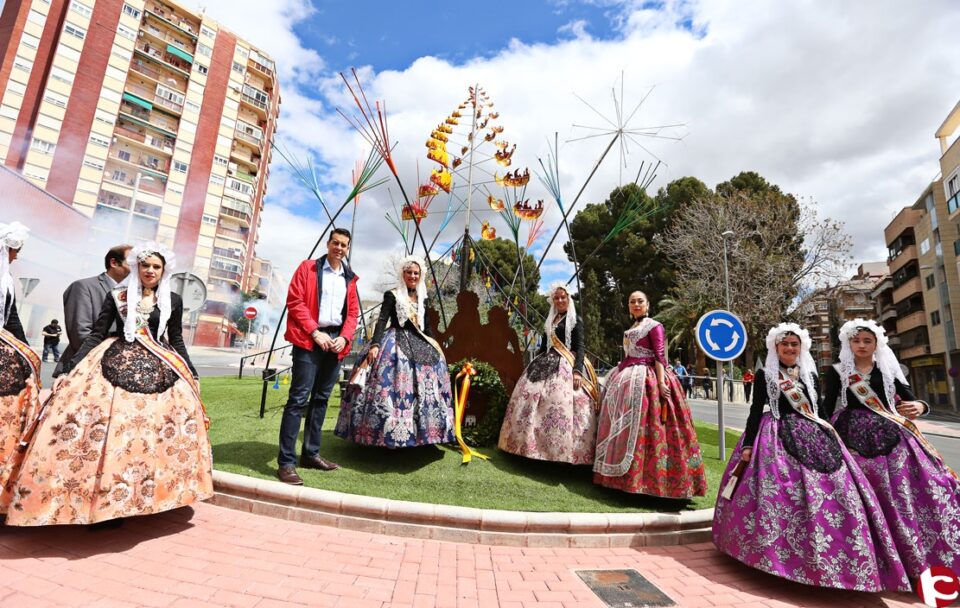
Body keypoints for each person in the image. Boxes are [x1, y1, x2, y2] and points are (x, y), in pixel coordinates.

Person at [3, 243, 213, 525]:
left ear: (164, 270)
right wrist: (69, 368)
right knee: (108, 430)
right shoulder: (117, 296)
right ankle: (103, 503)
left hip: (162, 366)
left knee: (154, 432)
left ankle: (150, 495)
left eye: (156, 267)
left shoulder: (172, 300)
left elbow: (175, 339)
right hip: (113, 361)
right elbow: (96, 334)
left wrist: (192, 373)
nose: (150, 271)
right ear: (137, 267)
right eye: (146, 265)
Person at [712, 323, 910, 592]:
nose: (789, 348)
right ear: (776, 347)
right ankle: (777, 555)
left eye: (794, 344)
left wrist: (833, 437)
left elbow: (821, 412)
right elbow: (756, 410)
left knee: (837, 492)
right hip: (775, 436)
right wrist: (748, 444)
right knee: (780, 493)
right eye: (784, 344)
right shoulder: (765, 375)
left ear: (801, 347)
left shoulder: (810, 373)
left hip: (814, 435)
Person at [822, 319, 959, 577]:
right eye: (856, 341)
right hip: (850, 437)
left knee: (909, 490)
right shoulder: (838, 371)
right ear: (848, 343)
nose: (862, 345)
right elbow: (827, 407)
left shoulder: (886, 369)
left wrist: (920, 406)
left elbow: (912, 399)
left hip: (892, 436)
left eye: (867, 341)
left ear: (877, 344)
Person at [593, 291, 707, 497]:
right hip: (627, 376)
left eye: (640, 301)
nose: (636, 304)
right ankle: (618, 478)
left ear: (647, 304)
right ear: (629, 306)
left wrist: (661, 383)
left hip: (649, 378)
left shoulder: (655, 326)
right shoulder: (632, 328)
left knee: (652, 424)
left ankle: (655, 482)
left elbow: (660, 355)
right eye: (632, 301)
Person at [335, 255, 454, 447]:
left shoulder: (423, 298)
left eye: (416, 273)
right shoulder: (392, 294)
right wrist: (375, 345)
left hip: (419, 342)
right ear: (403, 274)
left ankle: (423, 432)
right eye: (409, 272)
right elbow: (382, 319)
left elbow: (426, 326)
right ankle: (381, 433)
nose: (413, 276)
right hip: (394, 340)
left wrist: (435, 347)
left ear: (420, 275)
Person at [277, 228, 360, 485]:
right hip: (309, 339)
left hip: (335, 342)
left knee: (321, 399)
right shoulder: (308, 268)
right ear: (328, 244)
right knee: (298, 399)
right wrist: (315, 332)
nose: (339, 248)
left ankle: (310, 454)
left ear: (348, 248)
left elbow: (353, 313)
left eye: (344, 245)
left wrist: (344, 337)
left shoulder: (350, 278)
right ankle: (286, 462)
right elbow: (295, 302)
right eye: (335, 243)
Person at [497, 283, 600, 464]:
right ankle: (527, 446)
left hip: (566, 364)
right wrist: (533, 366)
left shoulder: (575, 320)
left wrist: (577, 371)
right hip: (545, 362)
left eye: (563, 297)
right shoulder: (551, 320)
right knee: (531, 399)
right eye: (556, 298)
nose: (560, 300)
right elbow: (544, 345)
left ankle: (561, 452)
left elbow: (580, 346)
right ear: (553, 300)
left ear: (568, 299)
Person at [0, 222, 41, 507]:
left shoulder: (7, 280)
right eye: (15, 250)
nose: (17, 256)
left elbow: (11, 319)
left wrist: (27, 354)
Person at [54, 244, 132, 377]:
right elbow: (80, 334)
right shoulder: (83, 287)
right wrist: (110, 360)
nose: (136, 269)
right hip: (85, 367)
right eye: (131, 263)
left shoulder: (134, 293)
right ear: (114, 262)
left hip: (120, 369)